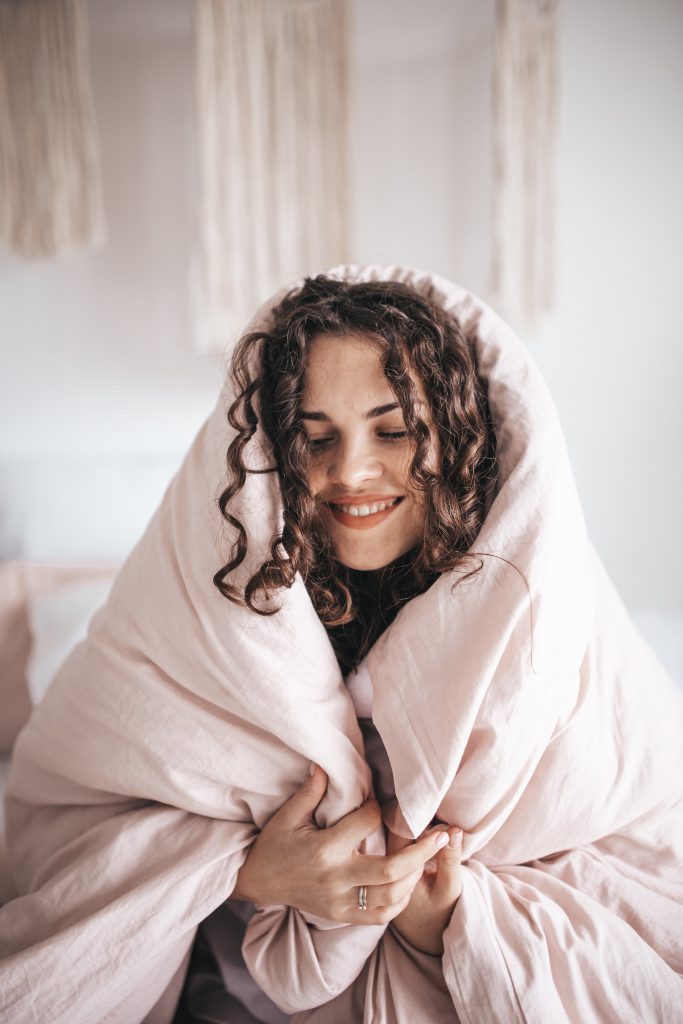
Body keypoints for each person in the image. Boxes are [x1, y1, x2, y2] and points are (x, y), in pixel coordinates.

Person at [2, 266, 681, 1024]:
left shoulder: (546, 606)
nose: (349, 472)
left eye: (393, 432)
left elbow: (641, 854)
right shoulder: (195, 601)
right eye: (314, 439)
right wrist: (247, 877)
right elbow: (65, 822)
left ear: (457, 435)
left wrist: (456, 920)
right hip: (227, 984)